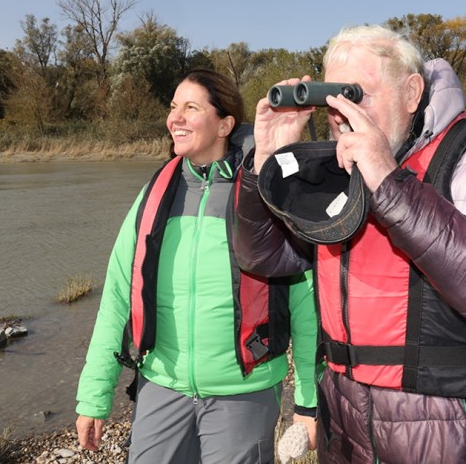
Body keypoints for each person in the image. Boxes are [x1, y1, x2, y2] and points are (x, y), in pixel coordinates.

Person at [232, 25, 466, 463]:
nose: (341, 113)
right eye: (331, 97)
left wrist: (390, 184)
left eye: (355, 94)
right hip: (344, 424)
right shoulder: (338, 165)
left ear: (411, 93)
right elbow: (264, 258)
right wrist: (266, 165)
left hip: (452, 426)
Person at [75, 69, 318, 464]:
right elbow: (118, 296)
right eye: (173, 107)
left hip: (244, 393)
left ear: (224, 124)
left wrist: (309, 403)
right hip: (161, 386)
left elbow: (307, 303)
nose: (176, 118)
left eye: (191, 107)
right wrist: (95, 395)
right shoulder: (155, 194)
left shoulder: (264, 194)